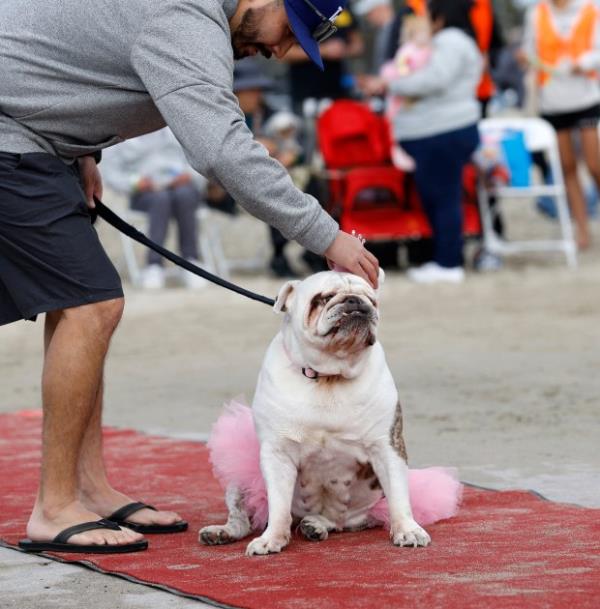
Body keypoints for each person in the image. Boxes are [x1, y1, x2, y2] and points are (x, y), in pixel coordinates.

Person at [0, 0, 379, 553]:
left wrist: (80, 153)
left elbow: (69, 57)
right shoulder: (186, 17)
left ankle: (87, 487)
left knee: (81, 301)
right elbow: (220, 149)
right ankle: (54, 507)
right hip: (10, 138)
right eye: (289, 30)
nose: (279, 51)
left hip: (33, 137)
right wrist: (326, 234)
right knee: (92, 305)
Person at [365, 0, 482, 284]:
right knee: (440, 196)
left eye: (428, 13)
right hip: (437, 132)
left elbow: (435, 79)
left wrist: (390, 83)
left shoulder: (451, 41)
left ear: (439, 15)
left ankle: (448, 262)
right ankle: (444, 259)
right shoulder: (454, 41)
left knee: (444, 198)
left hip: (443, 131)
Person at [521, 0, 600, 250]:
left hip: (585, 94)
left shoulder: (590, 9)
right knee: (567, 167)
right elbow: (528, 50)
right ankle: (582, 229)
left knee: (594, 164)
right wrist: (526, 59)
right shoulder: (536, 14)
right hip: (552, 100)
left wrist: (585, 63)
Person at [101, 128, 208, 290]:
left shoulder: (175, 124)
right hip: (144, 193)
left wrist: (189, 175)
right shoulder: (119, 130)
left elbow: (201, 158)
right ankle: (154, 265)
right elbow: (111, 174)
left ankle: (191, 261)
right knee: (161, 199)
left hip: (181, 186)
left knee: (185, 195)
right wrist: (135, 183)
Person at [284, 6, 364, 115]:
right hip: (306, 94)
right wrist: (324, 51)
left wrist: (343, 50)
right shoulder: (296, 6)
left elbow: (358, 46)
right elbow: (284, 54)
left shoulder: (341, 5)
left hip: (339, 91)